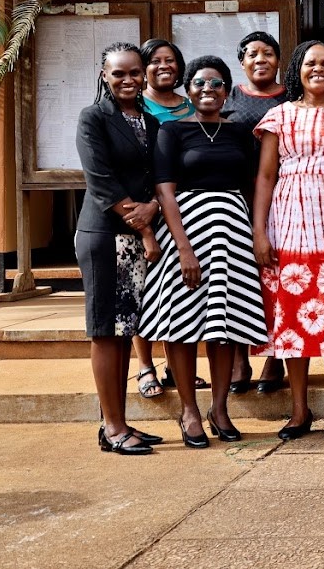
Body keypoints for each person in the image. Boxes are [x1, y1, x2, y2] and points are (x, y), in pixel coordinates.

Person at [140, 56, 267, 448]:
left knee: (226, 322)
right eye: (199, 83)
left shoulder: (242, 132)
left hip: (232, 232)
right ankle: (189, 410)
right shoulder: (171, 130)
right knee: (182, 323)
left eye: (215, 83)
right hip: (187, 231)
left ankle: (220, 407)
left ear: (227, 90)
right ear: (188, 90)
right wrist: (183, 249)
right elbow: (165, 190)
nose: (207, 90)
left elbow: (254, 182)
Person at [253, 41, 324, 442]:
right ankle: (299, 409)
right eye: (311, 63)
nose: (319, 69)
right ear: (297, 68)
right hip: (288, 227)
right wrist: (260, 232)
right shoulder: (278, 116)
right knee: (291, 324)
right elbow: (265, 177)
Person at [75, 42, 164, 455]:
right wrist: (146, 230)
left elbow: (156, 179)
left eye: (134, 73)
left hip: (134, 233)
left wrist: (154, 207)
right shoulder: (93, 118)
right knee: (105, 332)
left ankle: (121, 422)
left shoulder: (150, 120)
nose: (128, 80)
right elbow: (102, 180)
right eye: (119, 74)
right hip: (105, 235)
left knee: (124, 330)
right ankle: (112, 428)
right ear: (104, 76)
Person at [221, 30, 286, 394]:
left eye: (268, 53)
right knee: (239, 280)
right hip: (237, 198)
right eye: (252, 54)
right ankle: (238, 359)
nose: (260, 59)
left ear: (279, 60)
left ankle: (274, 359)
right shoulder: (229, 99)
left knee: (277, 281)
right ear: (242, 62)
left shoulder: (293, 97)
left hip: (286, 200)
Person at [136, 38, 199, 397]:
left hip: (179, 210)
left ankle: (176, 367)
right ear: (144, 67)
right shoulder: (134, 106)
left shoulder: (191, 106)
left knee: (173, 292)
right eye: (156, 60)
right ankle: (145, 367)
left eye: (171, 60)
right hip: (141, 210)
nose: (164, 66)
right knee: (142, 291)